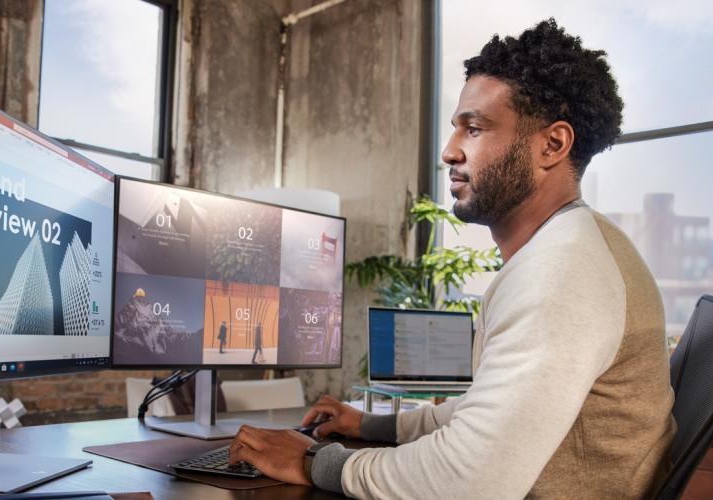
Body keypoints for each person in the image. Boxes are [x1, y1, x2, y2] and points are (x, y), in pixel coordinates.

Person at [228, 19, 676, 499]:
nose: (448, 151)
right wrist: (374, 425)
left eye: (475, 128)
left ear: (552, 145)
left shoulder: (563, 274)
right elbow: (486, 414)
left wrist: (316, 461)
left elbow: (468, 480)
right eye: (455, 128)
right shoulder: (569, 248)